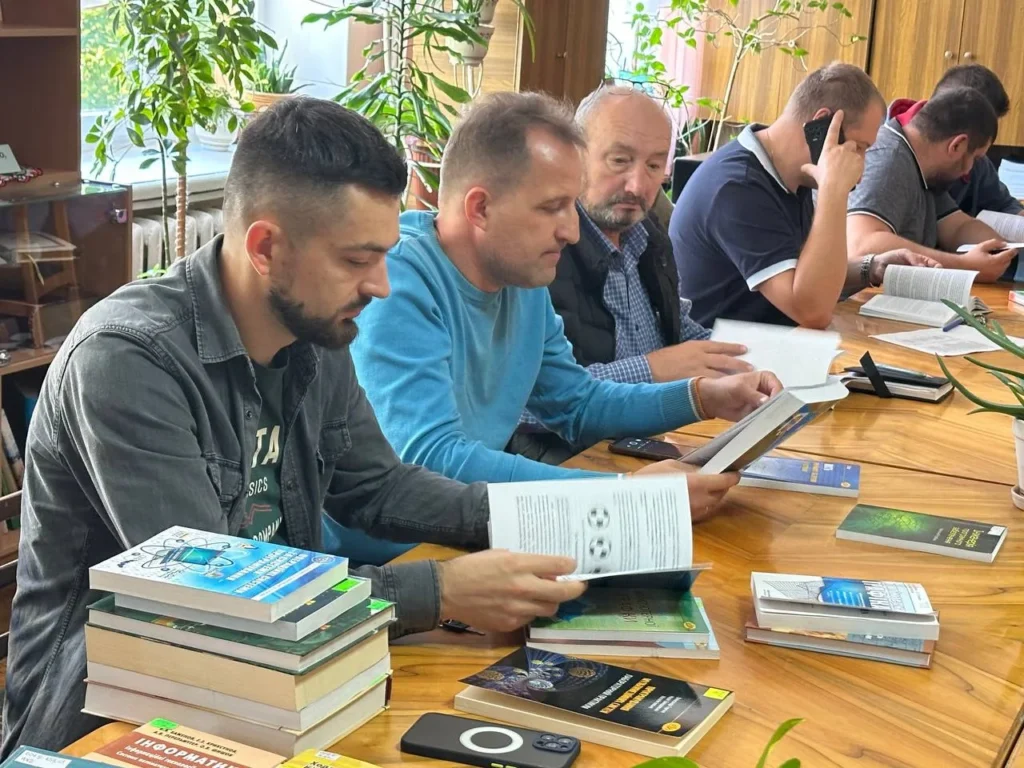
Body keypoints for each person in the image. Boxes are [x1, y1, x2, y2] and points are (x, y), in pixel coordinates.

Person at [0, 98, 593, 755]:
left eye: (385, 255)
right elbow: (214, 598)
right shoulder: (128, 360)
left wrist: (547, 517)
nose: (381, 285)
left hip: (280, 685)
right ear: (266, 248)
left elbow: (379, 488)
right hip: (105, 723)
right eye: (357, 260)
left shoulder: (313, 330)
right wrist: (441, 591)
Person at [349, 90, 781, 496]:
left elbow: (577, 404)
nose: (572, 231)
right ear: (480, 208)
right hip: (402, 545)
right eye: (552, 207)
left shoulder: (521, 279)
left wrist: (704, 396)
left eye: (571, 206)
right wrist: (625, 495)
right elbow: (432, 460)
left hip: (476, 523)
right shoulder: (398, 282)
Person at [508, 84, 753, 464]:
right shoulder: (537, 252)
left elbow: (677, 328)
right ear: (574, 156)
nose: (638, 186)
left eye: (654, 166)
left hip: (649, 441)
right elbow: (524, 403)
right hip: (567, 460)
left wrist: (760, 361)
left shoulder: (648, 233)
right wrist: (652, 370)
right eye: (620, 161)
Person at [670, 63, 936, 329]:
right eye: (859, 147)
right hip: (723, 349)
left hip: (773, 340)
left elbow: (805, 275)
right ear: (822, 124)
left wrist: (872, 267)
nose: (861, 167)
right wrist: (833, 190)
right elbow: (811, 312)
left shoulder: (793, 175)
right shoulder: (737, 187)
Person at [847, 87, 1016, 282]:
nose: (969, 171)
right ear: (957, 145)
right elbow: (862, 246)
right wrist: (965, 266)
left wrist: (1004, 249)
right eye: (975, 159)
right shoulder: (889, 159)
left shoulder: (928, 172)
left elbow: (958, 227)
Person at [890, 64, 1022, 218]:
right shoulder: (886, 153)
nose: (968, 167)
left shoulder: (975, 160)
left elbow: (1002, 205)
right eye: (985, 128)